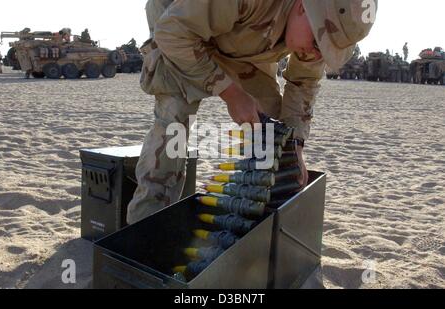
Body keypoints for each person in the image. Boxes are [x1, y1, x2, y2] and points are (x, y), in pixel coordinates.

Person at [127, 0, 378, 224]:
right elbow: (173, 33)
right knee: (174, 124)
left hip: (247, 42)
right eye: (317, 43)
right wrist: (230, 92)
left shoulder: (318, 29)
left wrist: (295, 146)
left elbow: (304, 84)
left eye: (326, 50)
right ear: (303, 7)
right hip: (182, 25)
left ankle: (253, 213)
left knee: (271, 132)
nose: (315, 54)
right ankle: (146, 224)